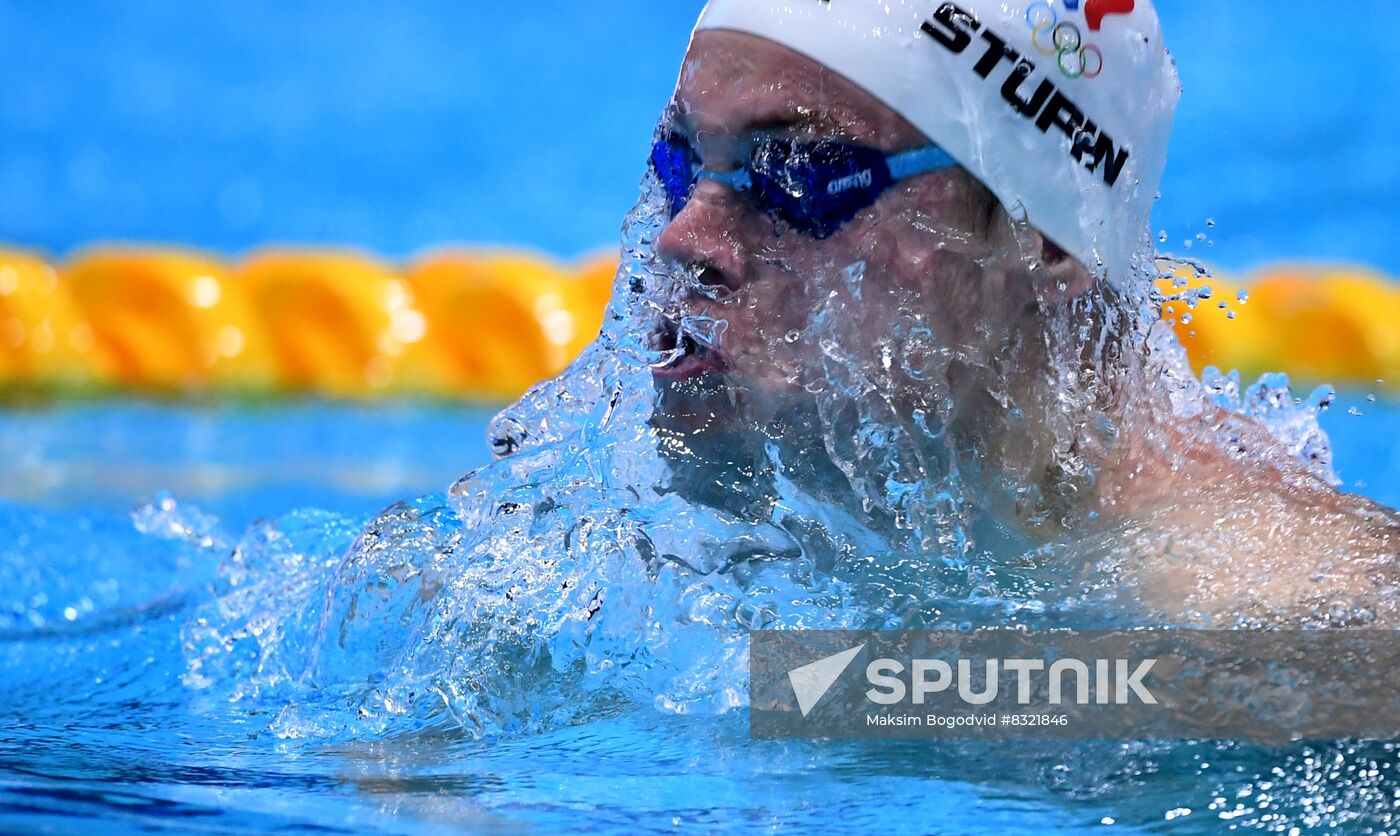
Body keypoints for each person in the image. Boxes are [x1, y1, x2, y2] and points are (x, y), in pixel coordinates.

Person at [640, 0, 1399, 625]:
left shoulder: (1273, 610)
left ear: (1046, 236)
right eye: (679, 164)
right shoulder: (651, 550)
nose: (684, 238)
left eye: (800, 174)